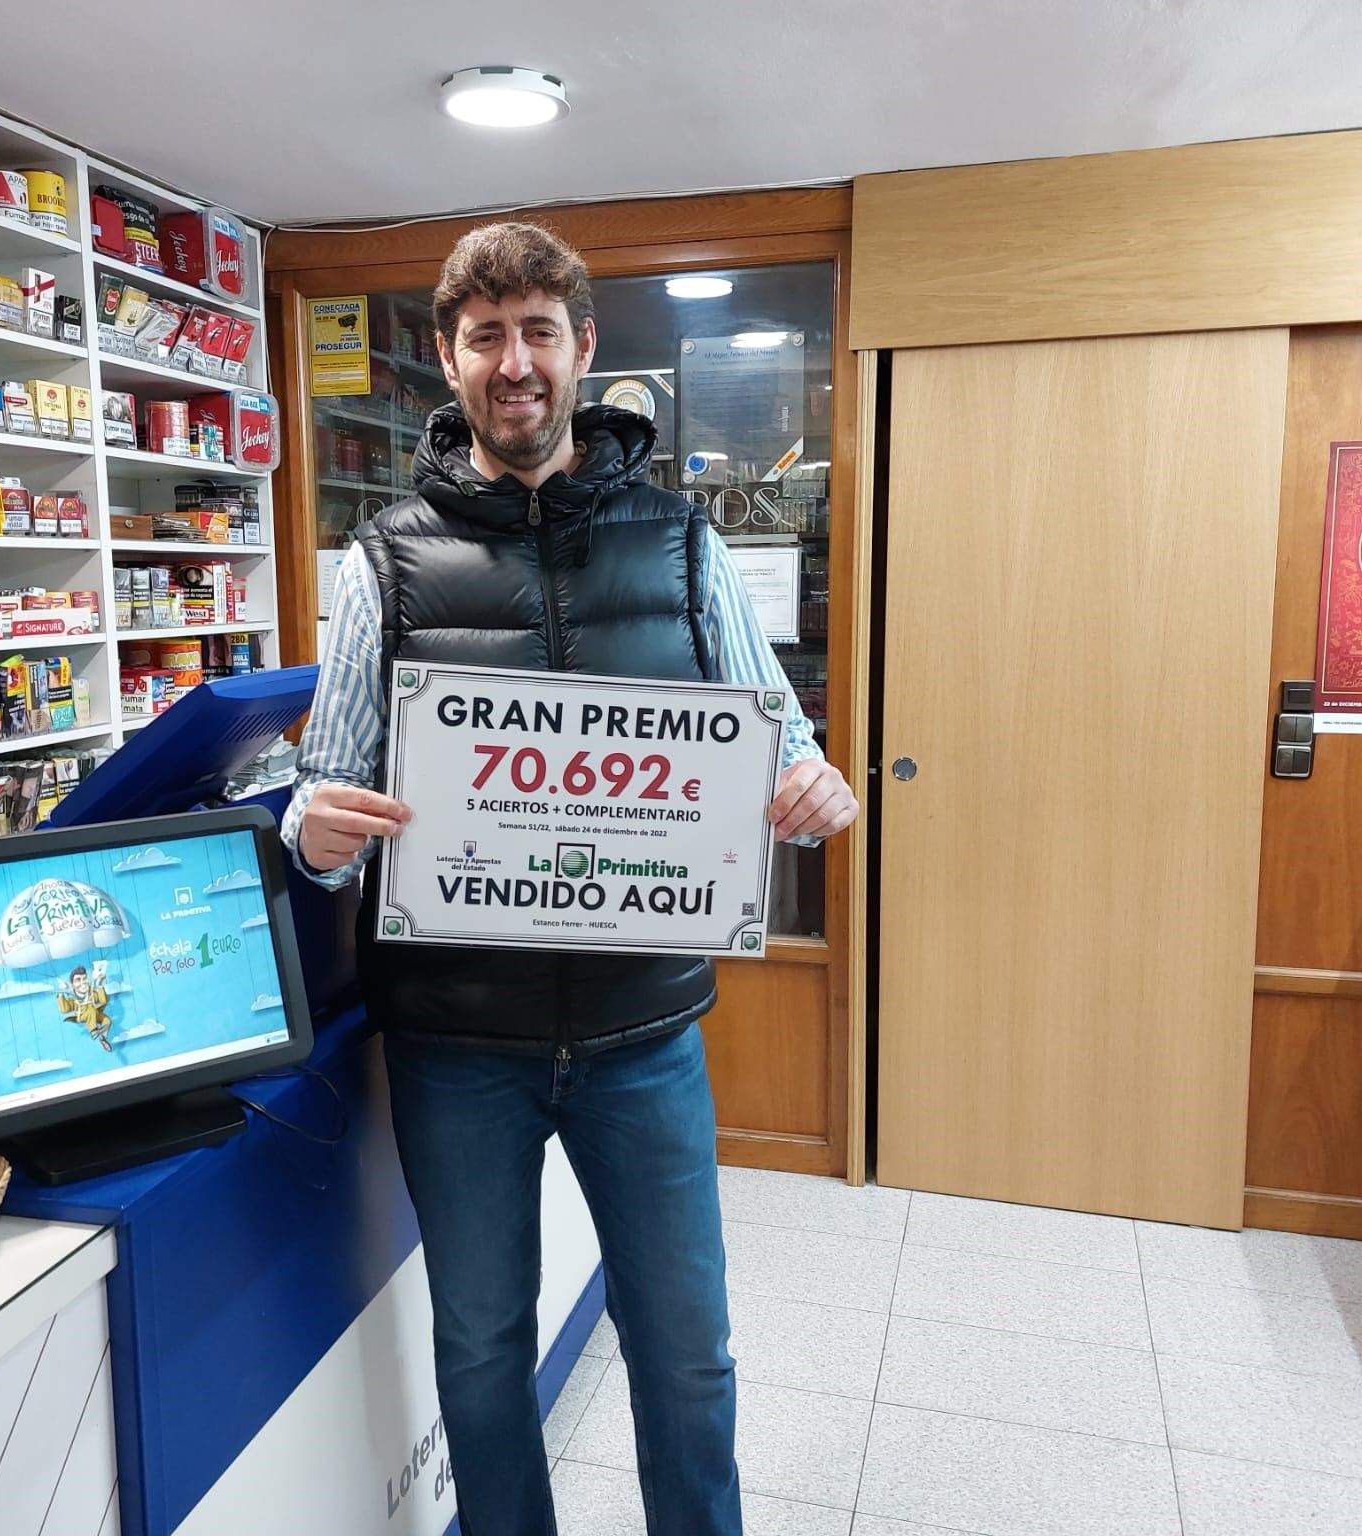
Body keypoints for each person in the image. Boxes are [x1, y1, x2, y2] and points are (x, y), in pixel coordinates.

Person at [281, 222, 858, 1536]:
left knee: (687, 1353)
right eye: (486, 336)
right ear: (449, 357)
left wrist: (818, 791)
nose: (515, 362)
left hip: (640, 1033)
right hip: (454, 1043)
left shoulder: (682, 544)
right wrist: (311, 834)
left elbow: (780, 741)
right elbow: (322, 789)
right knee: (483, 1352)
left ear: (582, 350)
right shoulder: (383, 564)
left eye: (539, 332)